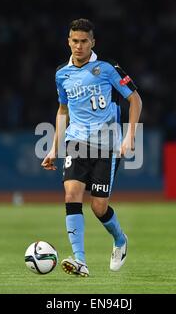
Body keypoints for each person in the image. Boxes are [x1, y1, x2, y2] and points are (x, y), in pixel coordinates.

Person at [41, 19, 143, 277]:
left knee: (98, 208)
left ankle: (120, 239)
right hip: (75, 142)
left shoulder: (107, 69)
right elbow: (63, 110)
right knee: (71, 195)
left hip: (106, 145)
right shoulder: (61, 74)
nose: (78, 46)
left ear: (92, 43)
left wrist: (130, 135)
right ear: (68, 41)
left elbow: (135, 100)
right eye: (74, 41)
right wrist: (54, 147)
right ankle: (80, 261)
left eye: (84, 41)